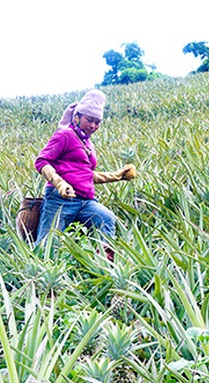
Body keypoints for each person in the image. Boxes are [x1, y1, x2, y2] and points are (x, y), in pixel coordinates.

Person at [34, 89, 136, 260]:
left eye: (97, 122)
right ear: (77, 117)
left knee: (106, 218)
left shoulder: (87, 142)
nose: (93, 126)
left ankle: (103, 263)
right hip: (60, 199)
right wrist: (59, 183)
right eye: (89, 120)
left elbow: (85, 175)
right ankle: (38, 279)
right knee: (47, 245)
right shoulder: (65, 135)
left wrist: (117, 176)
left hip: (85, 200)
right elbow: (42, 161)